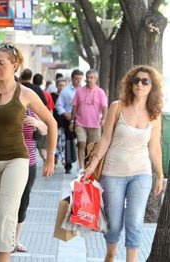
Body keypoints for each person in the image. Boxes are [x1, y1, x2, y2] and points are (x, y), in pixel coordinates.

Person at [0, 43, 57, 262]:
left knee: (6, 211)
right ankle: (3, 250)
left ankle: (3, 258)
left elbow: (51, 123)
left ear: (14, 65)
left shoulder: (25, 93)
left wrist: (50, 158)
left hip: (17, 159)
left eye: (1, 63)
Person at [83, 65, 164, 262]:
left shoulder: (154, 114)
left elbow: (154, 147)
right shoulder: (117, 106)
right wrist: (91, 167)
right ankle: (110, 256)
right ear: (130, 84)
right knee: (114, 223)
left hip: (141, 173)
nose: (140, 84)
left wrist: (160, 175)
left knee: (135, 222)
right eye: (136, 80)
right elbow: (105, 139)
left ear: (152, 86)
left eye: (145, 81)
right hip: (113, 173)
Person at [14, 108, 47, 253]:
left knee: (23, 201)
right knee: (7, 201)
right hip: (10, 161)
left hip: (29, 163)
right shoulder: (6, 107)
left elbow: (45, 129)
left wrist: (36, 123)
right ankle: (3, 239)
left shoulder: (31, 111)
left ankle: (16, 240)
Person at [71, 69, 108, 170]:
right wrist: (72, 121)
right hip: (80, 123)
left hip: (95, 124)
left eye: (91, 78)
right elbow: (74, 106)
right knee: (81, 144)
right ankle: (81, 168)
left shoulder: (100, 92)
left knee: (92, 148)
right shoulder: (79, 91)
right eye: (87, 77)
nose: (88, 79)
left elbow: (105, 107)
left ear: (96, 79)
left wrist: (104, 119)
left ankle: (90, 168)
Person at [56, 69, 83, 174]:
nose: (78, 81)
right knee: (69, 142)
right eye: (76, 78)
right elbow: (59, 105)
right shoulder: (66, 91)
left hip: (83, 119)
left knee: (82, 142)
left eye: (80, 79)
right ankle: (68, 164)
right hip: (69, 119)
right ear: (72, 79)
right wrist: (65, 113)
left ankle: (83, 164)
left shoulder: (85, 90)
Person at [52, 79, 67, 165]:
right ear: (56, 86)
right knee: (55, 141)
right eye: (60, 85)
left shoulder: (67, 96)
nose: (61, 87)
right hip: (54, 122)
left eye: (63, 85)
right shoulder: (52, 95)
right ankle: (56, 156)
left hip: (64, 123)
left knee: (62, 142)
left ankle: (61, 157)